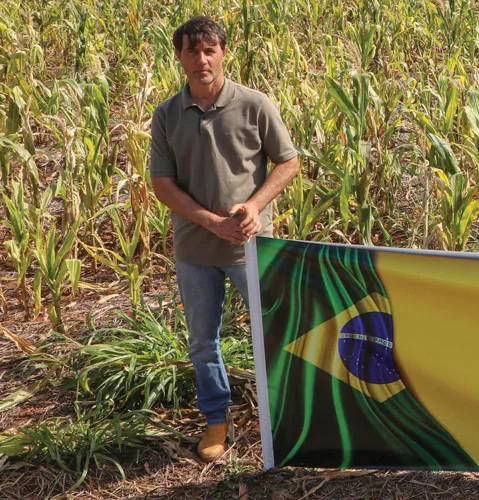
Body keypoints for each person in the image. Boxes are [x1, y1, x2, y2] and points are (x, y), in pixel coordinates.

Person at [149, 16, 301, 462]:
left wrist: (254, 207)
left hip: (249, 248)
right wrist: (211, 222)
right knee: (202, 341)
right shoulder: (166, 115)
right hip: (195, 252)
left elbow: (287, 163)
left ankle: (282, 418)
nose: (202, 60)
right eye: (192, 52)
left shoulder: (254, 105)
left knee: (272, 333)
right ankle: (217, 421)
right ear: (179, 57)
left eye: (210, 50)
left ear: (223, 53)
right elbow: (162, 183)